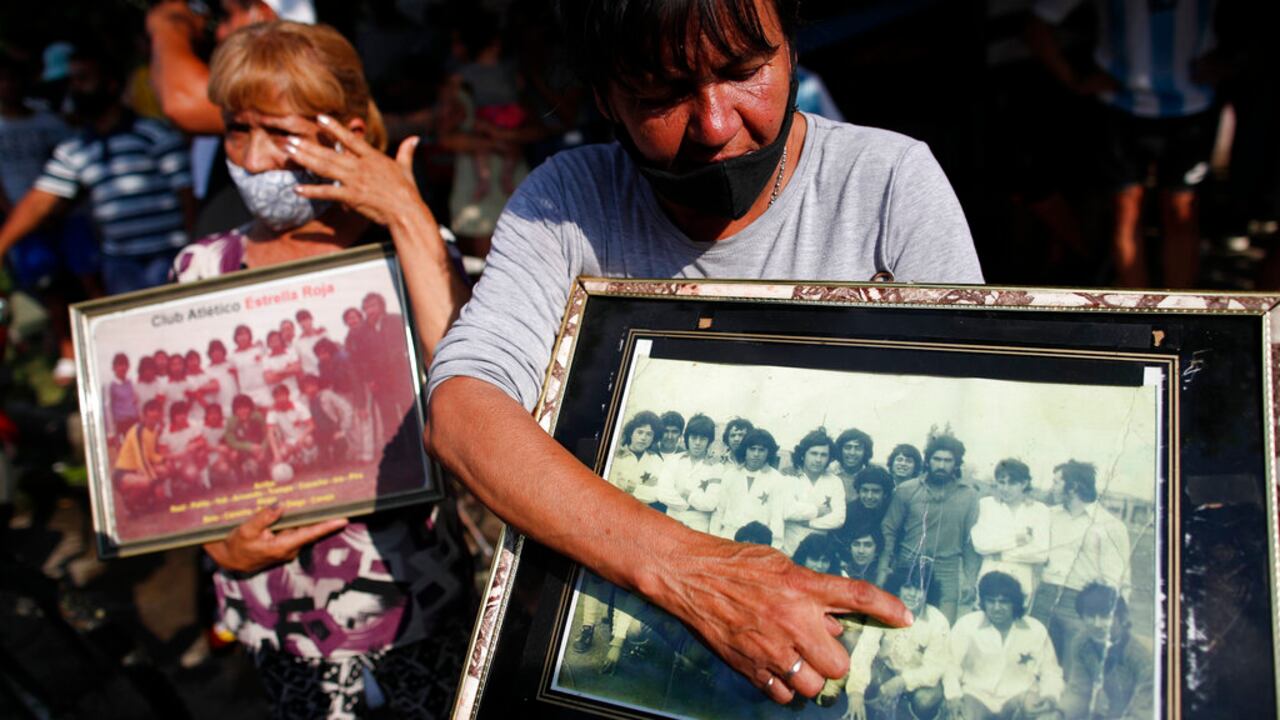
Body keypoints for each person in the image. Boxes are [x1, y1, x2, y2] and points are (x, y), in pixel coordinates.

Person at [427, 0, 979, 702]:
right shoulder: (567, 205)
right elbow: (465, 409)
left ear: (791, 52)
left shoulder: (889, 187)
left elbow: (963, 417)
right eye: (662, 94)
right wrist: (699, 576)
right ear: (607, 100)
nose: (717, 125)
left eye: (747, 72)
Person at [171, 21, 471, 718]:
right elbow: (191, 452)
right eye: (235, 130)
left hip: (408, 602)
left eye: (278, 131)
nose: (252, 157)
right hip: (274, 613)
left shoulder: (416, 254)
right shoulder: (200, 270)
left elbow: (475, 398)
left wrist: (407, 215)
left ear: (347, 128)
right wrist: (220, 546)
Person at [1026, 0, 1222, 288]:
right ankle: (1135, 316)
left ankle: (1182, 317)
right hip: (1120, 107)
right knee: (1126, 208)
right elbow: (1037, 24)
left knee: (1182, 210)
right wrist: (1074, 79)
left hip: (1191, 107)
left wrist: (1232, 61)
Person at [0, 43, 194, 296]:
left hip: (169, 256)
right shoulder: (77, 148)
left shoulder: (154, 135)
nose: (75, 88)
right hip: (121, 265)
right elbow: (39, 201)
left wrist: (194, 248)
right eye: (73, 80)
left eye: (84, 79)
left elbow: (188, 196)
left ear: (110, 83)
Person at [1031, 460, 1131, 668]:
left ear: (1074, 486)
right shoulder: (1049, 515)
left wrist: (1110, 618)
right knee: (1034, 664)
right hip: (1044, 597)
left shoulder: (1109, 525)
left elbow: (1117, 577)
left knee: (1072, 668)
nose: (1053, 487)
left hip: (1079, 603)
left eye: (1057, 482)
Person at [878, 435, 981, 623]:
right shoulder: (908, 489)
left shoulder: (969, 495)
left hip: (947, 569)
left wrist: (970, 579)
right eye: (937, 459)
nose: (941, 465)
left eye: (948, 460)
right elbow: (889, 528)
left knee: (942, 628)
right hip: (909, 564)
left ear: (957, 464)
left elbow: (970, 541)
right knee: (899, 625)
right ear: (928, 461)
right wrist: (884, 567)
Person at [945, 571, 1063, 719]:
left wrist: (1050, 696)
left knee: (1050, 717)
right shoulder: (967, 625)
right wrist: (953, 695)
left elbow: (1050, 671)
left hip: (1019, 695)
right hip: (977, 695)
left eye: (1004, 602)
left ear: (1015, 603)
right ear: (983, 602)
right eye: (991, 601)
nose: (997, 607)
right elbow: (950, 665)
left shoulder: (1035, 629)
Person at [845, 566, 950, 720]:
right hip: (888, 671)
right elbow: (865, 649)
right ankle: (878, 707)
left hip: (921, 681)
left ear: (928, 592)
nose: (912, 594)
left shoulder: (938, 621)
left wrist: (902, 682)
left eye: (919, 589)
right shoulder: (882, 610)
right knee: (867, 679)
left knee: (925, 701)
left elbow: (934, 669)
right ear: (898, 588)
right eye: (907, 587)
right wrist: (855, 692)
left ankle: (912, 712)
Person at [1060, 583, 1153, 720]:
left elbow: (1143, 712)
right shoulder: (1081, 643)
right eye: (1090, 616)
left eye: (1105, 616)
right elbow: (1078, 693)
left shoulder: (1142, 658)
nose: (1097, 624)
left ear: (1121, 618)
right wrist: (1059, 715)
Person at [970, 458, 1051, 597]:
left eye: (1012, 483)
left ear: (1024, 484)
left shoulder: (1039, 510)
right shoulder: (986, 505)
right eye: (1001, 482)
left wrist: (1000, 554)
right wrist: (1017, 540)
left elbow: (1041, 553)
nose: (1005, 488)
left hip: (1022, 582)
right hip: (989, 578)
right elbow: (980, 545)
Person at [710, 428, 793, 549]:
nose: (756, 454)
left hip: (758, 544)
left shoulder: (777, 480)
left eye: (761, 450)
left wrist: (773, 548)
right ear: (745, 449)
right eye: (752, 449)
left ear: (769, 452)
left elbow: (777, 519)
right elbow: (719, 511)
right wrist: (714, 540)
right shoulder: (730, 475)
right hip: (727, 539)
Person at [783, 428, 845, 555]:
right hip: (788, 551)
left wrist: (809, 522)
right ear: (803, 454)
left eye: (823, 455)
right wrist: (817, 511)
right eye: (814, 453)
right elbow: (787, 511)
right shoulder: (788, 477)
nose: (818, 459)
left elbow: (838, 518)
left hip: (818, 555)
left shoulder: (835, 481)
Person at [106, 352, 140, 442]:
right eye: (120, 365)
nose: (123, 368)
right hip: (120, 424)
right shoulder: (110, 385)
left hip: (134, 422)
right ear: (114, 367)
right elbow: (107, 409)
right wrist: (110, 432)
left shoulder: (131, 383)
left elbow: (136, 403)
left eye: (125, 365)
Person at [831, 428, 874, 499]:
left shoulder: (873, 473)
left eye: (858, 448)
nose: (852, 453)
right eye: (847, 447)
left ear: (865, 452)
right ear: (840, 449)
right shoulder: (829, 472)